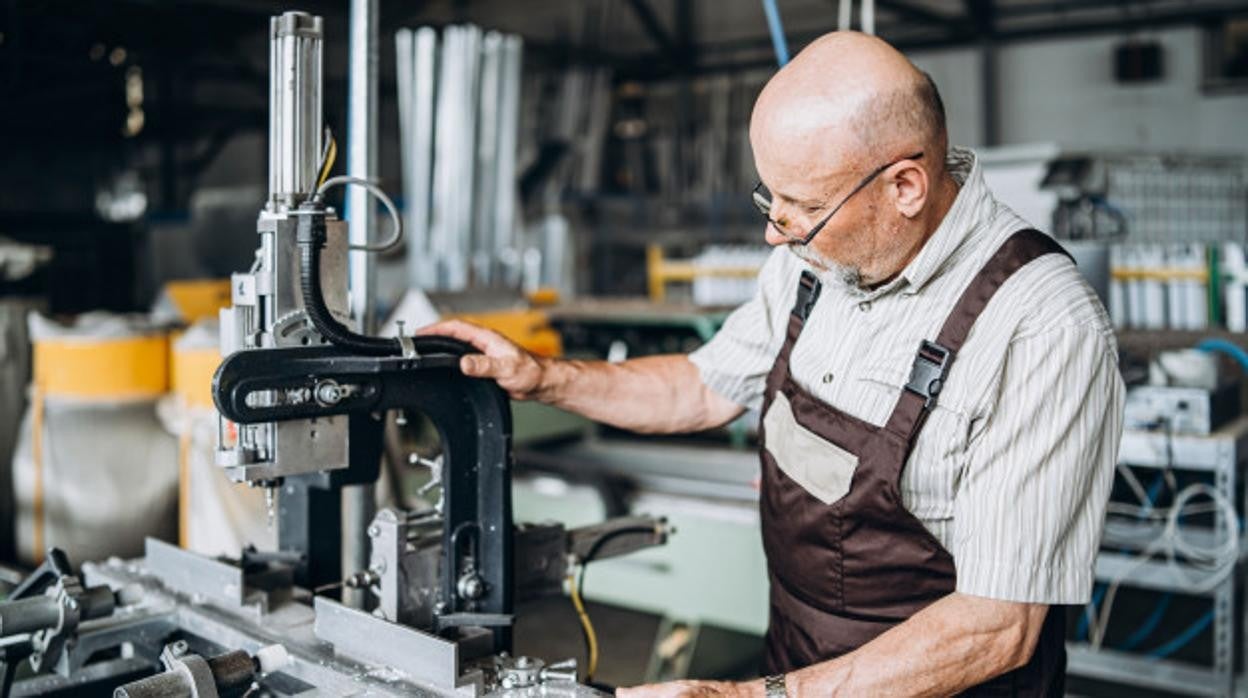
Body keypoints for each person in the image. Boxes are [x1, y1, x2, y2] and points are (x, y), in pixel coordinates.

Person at [422, 31, 1123, 697]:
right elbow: (702, 387)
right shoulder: (813, 259)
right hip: (795, 667)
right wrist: (544, 377)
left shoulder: (1040, 328)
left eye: (801, 205)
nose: (773, 229)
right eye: (772, 197)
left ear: (905, 186)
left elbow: (997, 627)